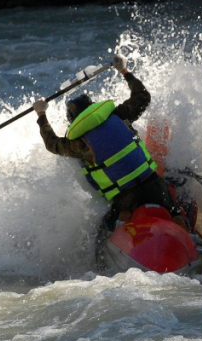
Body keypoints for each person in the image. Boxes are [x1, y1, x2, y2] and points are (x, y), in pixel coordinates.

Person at [31, 54, 186, 238]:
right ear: (93, 107)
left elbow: (52, 144)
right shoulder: (119, 116)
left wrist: (41, 114)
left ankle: (113, 246)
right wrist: (124, 71)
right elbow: (142, 97)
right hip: (153, 183)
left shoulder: (80, 144)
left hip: (125, 197)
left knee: (103, 230)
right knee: (173, 209)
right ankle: (182, 230)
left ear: (73, 121)